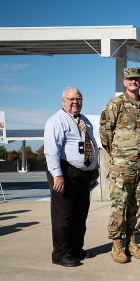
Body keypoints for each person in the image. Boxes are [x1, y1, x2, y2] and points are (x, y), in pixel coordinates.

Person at [99, 67, 140, 264]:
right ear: (124, 82)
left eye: (136, 79)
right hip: (121, 166)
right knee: (119, 206)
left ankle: (132, 242)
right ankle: (116, 244)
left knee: (138, 206)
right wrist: (118, 154)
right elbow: (106, 132)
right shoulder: (116, 104)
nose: (133, 82)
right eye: (130, 79)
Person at [44, 86, 99, 267]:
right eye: (71, 99)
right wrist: (57, 175)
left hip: (83, 174)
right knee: (63, 216)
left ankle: (76, 249)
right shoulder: (56, 120)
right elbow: (51, 151)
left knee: (80, 214)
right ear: (63, 101)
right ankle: (60, 254)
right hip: (65, 171)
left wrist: (94, 167)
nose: (75, 102)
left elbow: (90, 144)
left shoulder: (84, 121)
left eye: (79, 98)